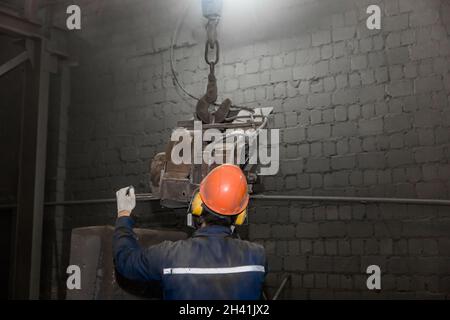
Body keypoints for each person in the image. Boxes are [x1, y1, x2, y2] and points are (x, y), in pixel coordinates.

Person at [113, 163, 267, 300]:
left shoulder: (169, 256)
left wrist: (123, 215)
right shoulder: (258, 257)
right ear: (241, 215)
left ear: (197, 204)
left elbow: (125, 262)